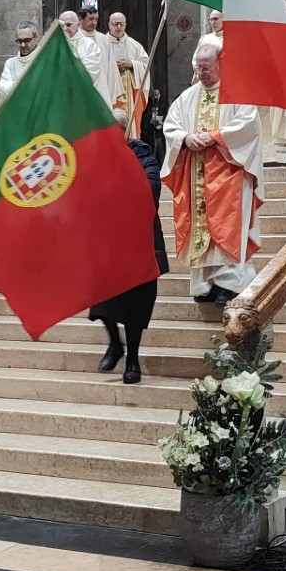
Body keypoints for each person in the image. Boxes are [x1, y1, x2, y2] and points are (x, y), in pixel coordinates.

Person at [162, 42, 261, 305]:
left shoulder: (237, 93)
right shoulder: (188, 97)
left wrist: (213, 136)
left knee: (225, 228)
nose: (202, 72)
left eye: (206, 67)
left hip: (229, 174)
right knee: (200, 230)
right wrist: (185, 137)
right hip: (195, 173)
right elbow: (171, 125)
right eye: (198, 67)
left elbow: (248, 124)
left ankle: (229, 285)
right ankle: (204, 286)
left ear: (220, 64)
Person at [89, 109, 167, 384]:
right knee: (100, 301)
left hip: (139, 245)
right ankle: (115, 343)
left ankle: (132, 360)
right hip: (107, 244)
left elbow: (150, 191)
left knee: (135, 306)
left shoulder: (144, 156)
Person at [96, 12, 151, 139]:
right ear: (109, 25)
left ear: (125, 24)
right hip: (109, 91)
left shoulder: (134, 45)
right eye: (115, 24)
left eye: (121, 24)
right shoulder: (101, 44)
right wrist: (110, 66)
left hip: (129, 95)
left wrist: (131, 64)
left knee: (130, 130)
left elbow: (145, 65)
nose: (119, 27)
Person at [0, 21, 41, 107]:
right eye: (19, 41)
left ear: (36, 38)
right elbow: (1, 91)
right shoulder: (11, 64)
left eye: (27, 40)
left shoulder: (44, 60)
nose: (22, 45)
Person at [60, 9, 104, 82]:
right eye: (62, 26)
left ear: (78, 25)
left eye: (68, 25)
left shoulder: (89, 45)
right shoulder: (57, 45)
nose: (65, 28)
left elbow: (91, 71)